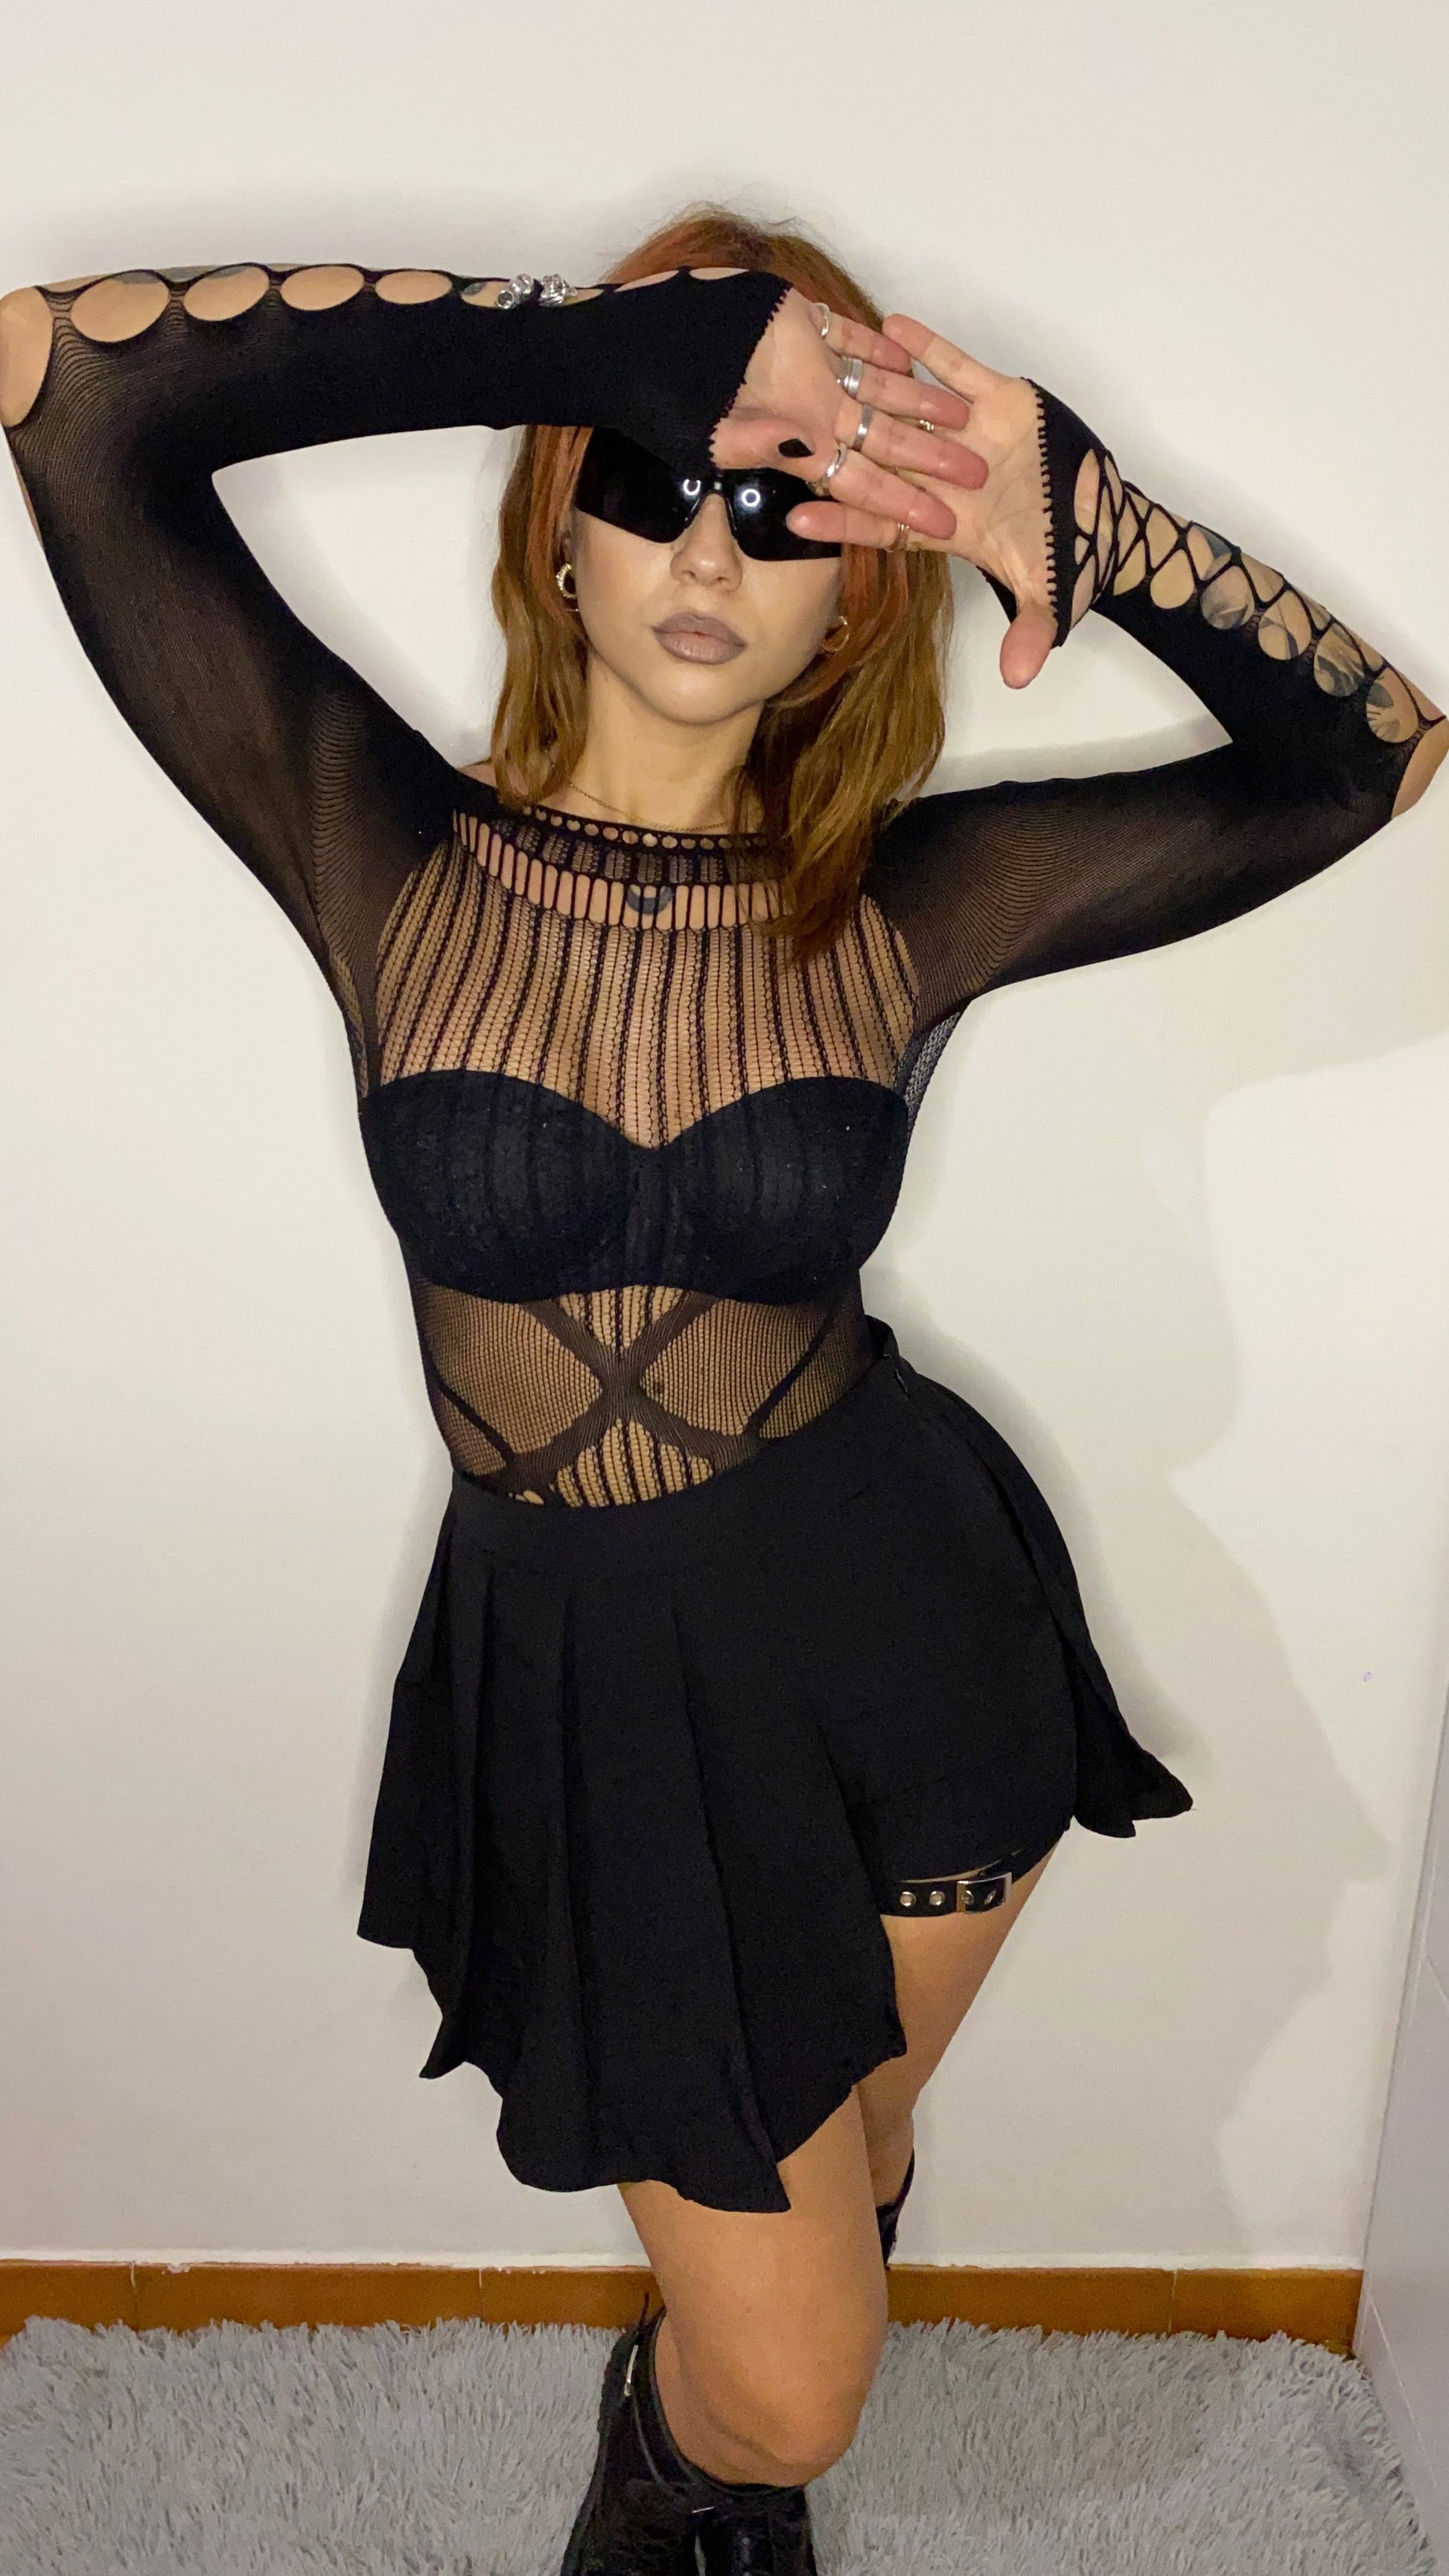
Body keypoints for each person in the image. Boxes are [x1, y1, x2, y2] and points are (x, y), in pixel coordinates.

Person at [1, 202, 1441, 2576]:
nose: (705, 548)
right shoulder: (367, 836)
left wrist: (1070, 514)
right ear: (555, 535)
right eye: (653, 480)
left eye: (784, 511)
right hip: (590, 1672)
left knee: (847, 2173)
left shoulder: (904, 901)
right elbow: (71, 388)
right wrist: (627, 342)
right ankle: (693, 2458)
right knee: (789, 2364)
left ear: (850, 597)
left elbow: (1365, 761)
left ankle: (706, 2502)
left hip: (906, 1622)